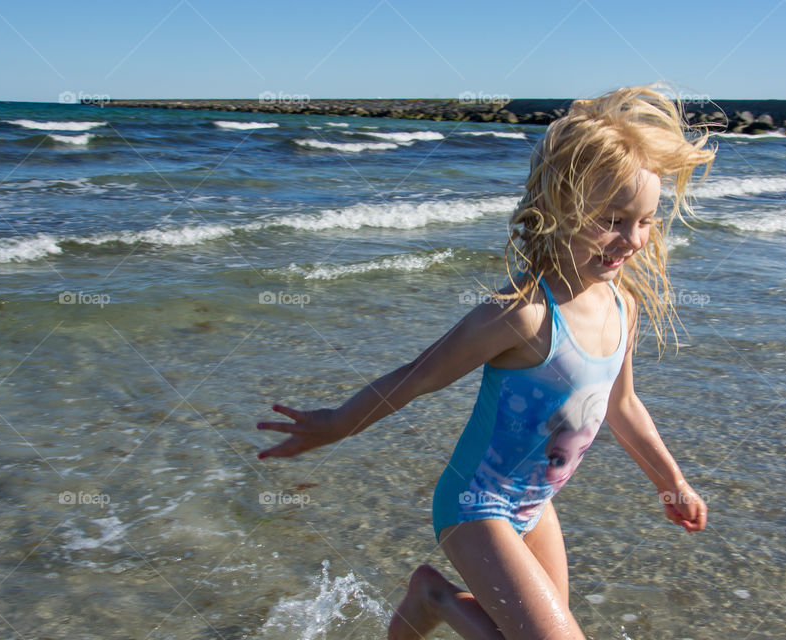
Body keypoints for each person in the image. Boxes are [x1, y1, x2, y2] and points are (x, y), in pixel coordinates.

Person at [256, 84, 715, 640]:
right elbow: (416, 377)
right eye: (614, 220)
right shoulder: (523, 315)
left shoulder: (624, 306)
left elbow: (622, 405)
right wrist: (331, 424)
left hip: (536, 505)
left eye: (644, 221)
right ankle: (434, 596)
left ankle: (429, 603)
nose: (633, 240)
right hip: (476, 506)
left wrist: (673, 482)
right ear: (563, 209)